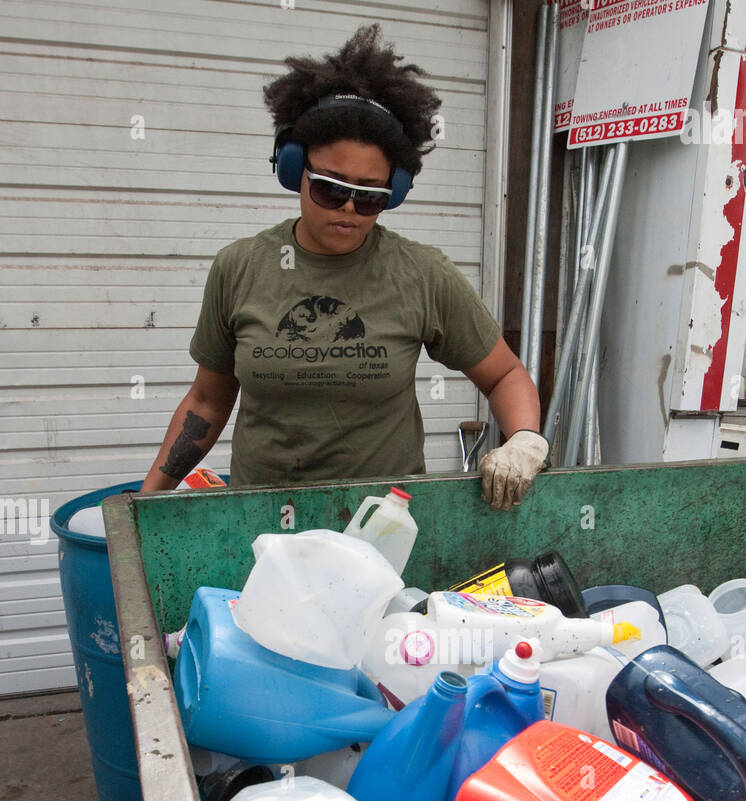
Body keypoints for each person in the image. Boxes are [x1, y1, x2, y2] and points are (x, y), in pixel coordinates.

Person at [139, 25, 548, 510]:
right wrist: (148, 504)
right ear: (295, 171)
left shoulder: (421, 274)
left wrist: (524, 440)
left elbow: (504, 375)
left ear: (392, 193)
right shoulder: (240, 267)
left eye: (370, 196)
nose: (349, 209)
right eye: (331, 189)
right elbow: (207, 402)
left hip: (380, 529)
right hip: (262, 526)